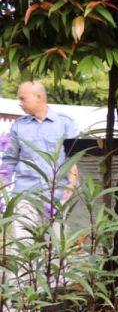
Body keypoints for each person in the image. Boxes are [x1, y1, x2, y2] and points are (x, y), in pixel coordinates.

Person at [1, 82, 79, 242]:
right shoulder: (18, 126)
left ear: (39, 97)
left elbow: (75, 156)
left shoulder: (65, 123)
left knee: (57, 250)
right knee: (22, 248)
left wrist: (71, 185)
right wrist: (3, 184)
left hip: (57, 195)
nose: (19, 103)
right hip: (25, 195)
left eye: (23, 98)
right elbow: (10, 159)